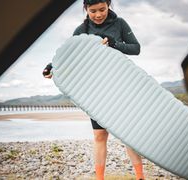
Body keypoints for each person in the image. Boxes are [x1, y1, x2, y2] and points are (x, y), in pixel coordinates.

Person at [43, 0, 145, 179]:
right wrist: (51, 67)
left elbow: (135, 49)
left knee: (128, 134)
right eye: (93, 11)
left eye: (102, 9)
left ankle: (140, 177)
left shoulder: (119, 24)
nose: (98, 14)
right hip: (96, 92)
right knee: (99, 135)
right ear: (86, 9)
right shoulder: (81, 31)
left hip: (120, 87)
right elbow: (67, 56)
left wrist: (114, 43)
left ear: (108, 6)